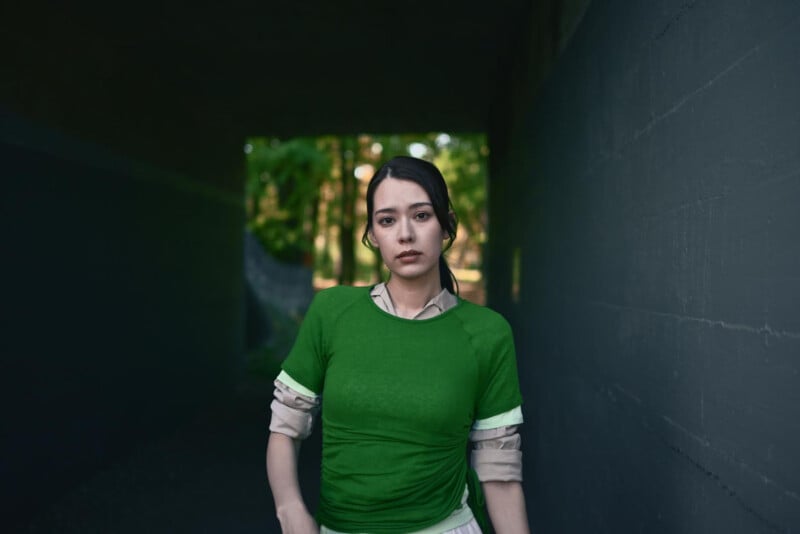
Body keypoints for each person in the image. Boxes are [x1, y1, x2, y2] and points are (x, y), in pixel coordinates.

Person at [266, 156, 530, 534]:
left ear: (447, 224)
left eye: (421, 215)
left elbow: (500, 474)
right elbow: (285, 428)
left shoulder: (488, 333)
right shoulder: (332, 312)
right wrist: (290, 510)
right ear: (373, 234)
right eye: (387, 220)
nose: (405, 234)